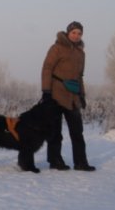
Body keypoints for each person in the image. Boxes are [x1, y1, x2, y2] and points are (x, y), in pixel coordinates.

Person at [41, 21, 96, 171]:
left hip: (73, 97)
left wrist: (82, 95)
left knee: (77, 132)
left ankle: (81, 162)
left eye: (79, 33)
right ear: (68, 33)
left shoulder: (81, 53)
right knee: (55, 132)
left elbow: (80, 76)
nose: (76, 36)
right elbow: (47, 69)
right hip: (56, 95)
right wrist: (46, 91)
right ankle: (55, 160)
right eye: (74, 33)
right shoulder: (57, 48)